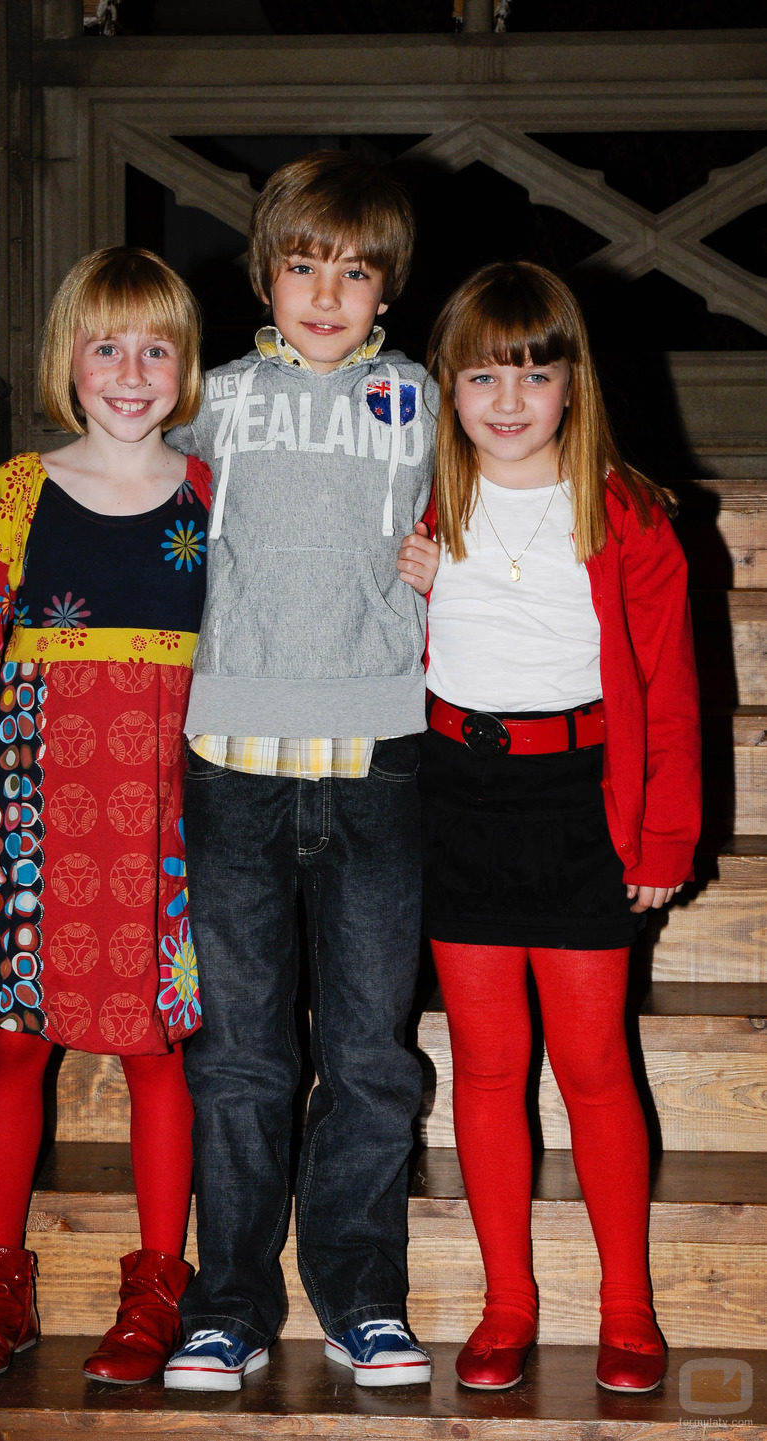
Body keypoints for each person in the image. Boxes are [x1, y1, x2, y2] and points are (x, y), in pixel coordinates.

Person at [0, 246, 211, 1386]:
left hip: (164, 816)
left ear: (185, 367)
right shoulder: (21, 490)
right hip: (33, 803)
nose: (131, 372)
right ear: (66, 359)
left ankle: (157, 1284)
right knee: (17, 1041)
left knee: (157, 1049)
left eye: (156, 348)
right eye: (106, 346)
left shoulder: (210, 494)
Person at [160, 150, 437, 1392]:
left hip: (378, 754)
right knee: (240, 1050)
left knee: (373, 1049)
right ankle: (227, 1302)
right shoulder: (209, 397)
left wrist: (456, 566)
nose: (326, 294)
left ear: (387, 292)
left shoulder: (426, 400)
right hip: (234, 758)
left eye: (355, 272)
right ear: (265, 273)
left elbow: (508, 515)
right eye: (301, 265)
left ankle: (362, 1293)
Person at [418, 260, 701, 1395]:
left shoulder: (626, 513)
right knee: (487, 1068)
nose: (507, 397)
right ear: (448, 385)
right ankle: (506, 1304)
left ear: (573, 384)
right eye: (482, 373)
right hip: (459, 795)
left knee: (591, 1062)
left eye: (534, 372)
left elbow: (671, 689)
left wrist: (662, 839)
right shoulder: (431, 504)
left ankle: (627, 1309)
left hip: (583, 799)